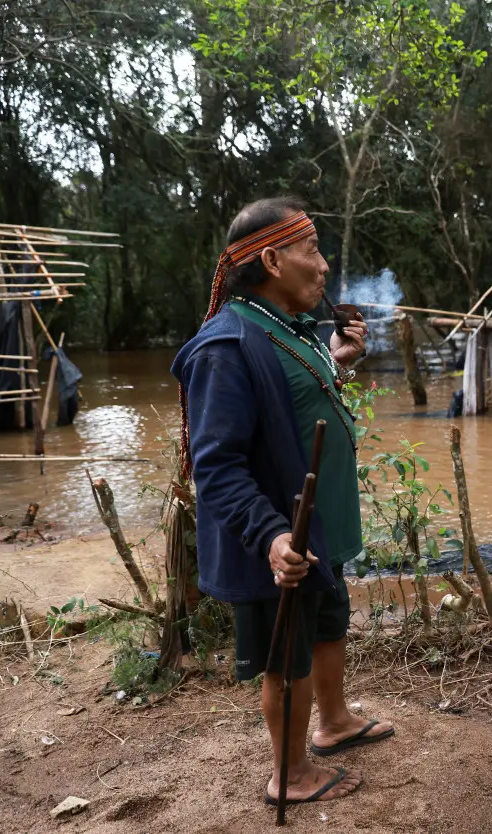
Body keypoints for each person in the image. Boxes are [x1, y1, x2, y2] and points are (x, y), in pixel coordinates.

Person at [172, 196, 394, 807]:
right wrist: (272, 537)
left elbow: (292, 404)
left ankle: (335, 723)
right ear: (271, 259)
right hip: (278, 539)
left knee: (327, 619)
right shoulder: (226, 346)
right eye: (312, 249)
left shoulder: (284, 331)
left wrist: (339, 364)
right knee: (286, 650)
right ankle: (290, 773)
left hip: (314, 530)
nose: (324, 266)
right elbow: (216, 466)